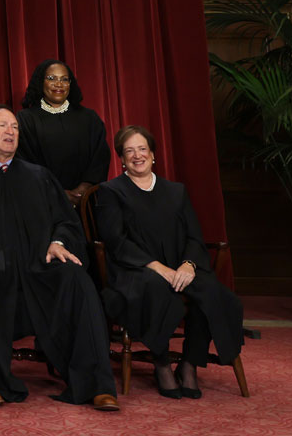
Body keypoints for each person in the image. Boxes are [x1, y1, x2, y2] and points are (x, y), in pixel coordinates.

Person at [0, 105, 119, 410]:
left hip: (39, 267)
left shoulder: (39, 177)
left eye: (15, 127)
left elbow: (65, 221)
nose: (10, 132)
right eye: (2, 126)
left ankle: (95, 383)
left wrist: (59, 241)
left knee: (76, 279)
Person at [95, 125, 244, 400]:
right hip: (136, 270)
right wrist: (157, 267)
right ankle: (161, 362)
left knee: (210, 292)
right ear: (122, 159)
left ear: (153, 155)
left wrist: (188, 265)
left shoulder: (176, 191)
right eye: (129, 151)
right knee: (158, 290)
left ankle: (189, 363)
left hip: (179, 267)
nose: (137, 155)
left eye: (142, 149)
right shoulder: (111, 192)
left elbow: (193, 236)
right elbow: (116, 241)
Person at [14, 59, 111, 205]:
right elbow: (25, 162)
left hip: (85, 203)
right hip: (43, 201)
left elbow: (100, 156)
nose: (59, 84)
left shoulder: (89, 118)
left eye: (64, 79)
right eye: (51, 78)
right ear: (41, 82)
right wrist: (57, 193)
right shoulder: (25, 119)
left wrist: (84, 189)